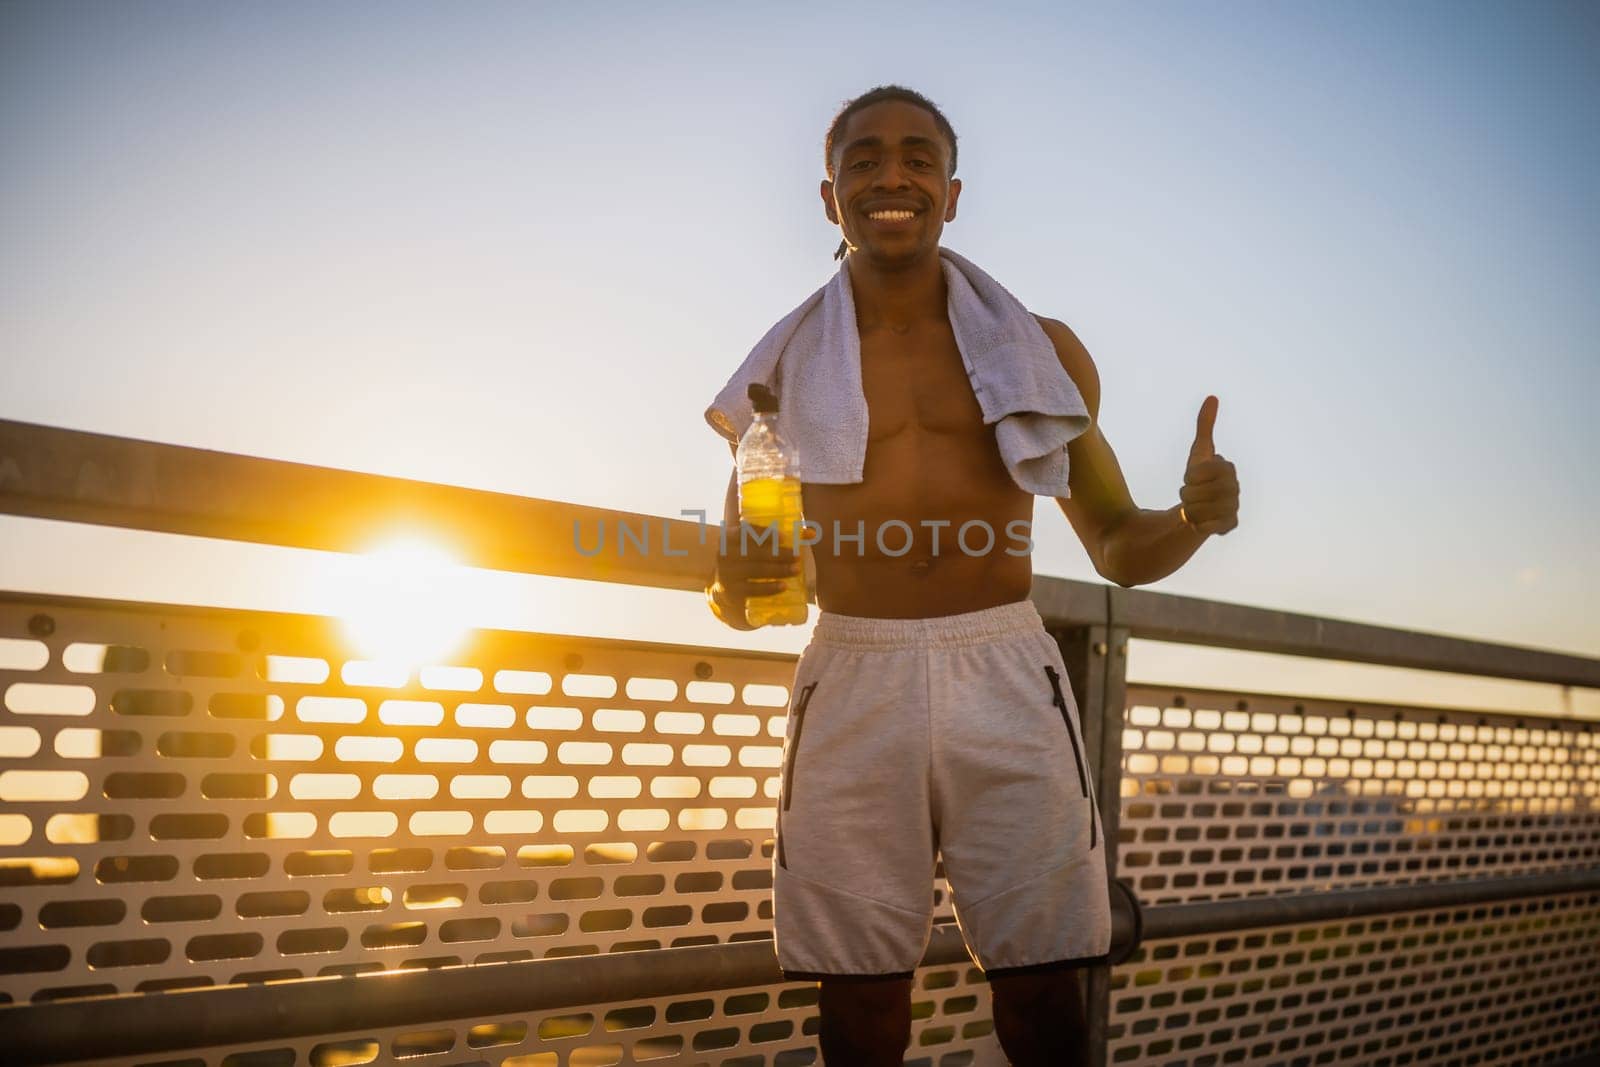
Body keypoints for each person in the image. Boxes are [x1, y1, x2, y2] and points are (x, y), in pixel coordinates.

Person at [705, 85, 1241, 1066]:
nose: (890, 175)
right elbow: (739, 592)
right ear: (830, 198)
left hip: (1001, 662)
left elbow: (1119, 547)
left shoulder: (1041, 349)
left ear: (952, 191)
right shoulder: (776, 373)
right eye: (863, 160)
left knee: (1044, 980)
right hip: (851, 668)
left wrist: (1193, 520)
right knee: (858, 989)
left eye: (916, 157)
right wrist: (736, 584)